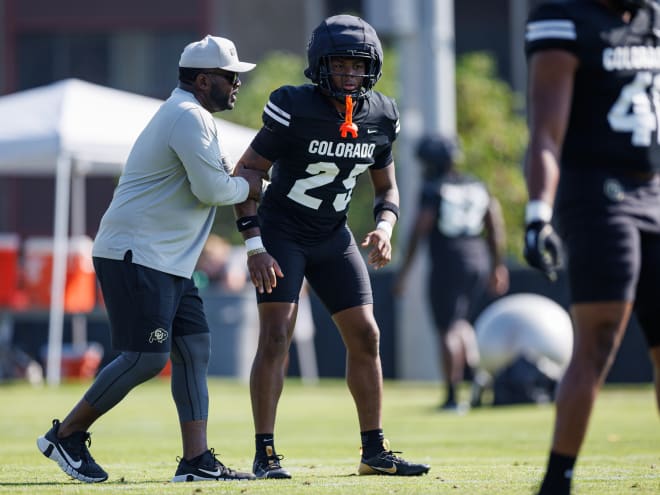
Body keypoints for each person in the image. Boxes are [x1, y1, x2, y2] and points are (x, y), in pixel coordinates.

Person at [36, 35, 265, 483]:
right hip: (135, 254)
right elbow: (215, 190)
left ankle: (196, 461)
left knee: (194, 348)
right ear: (203, 80)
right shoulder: (187, 115)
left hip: (167, 261)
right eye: (229, 77)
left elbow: (215, 185)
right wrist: (258, 188)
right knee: (145, 357)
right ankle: (65, 434)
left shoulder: (191, 114)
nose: (236, 85)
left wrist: (245, 188)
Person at [232, 14, 430, 479]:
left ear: (371, 68)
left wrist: (384, 226)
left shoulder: (381, 113)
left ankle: (374, 451)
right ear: (320, 66)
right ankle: (265, 453)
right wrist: (254, 243)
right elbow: (247, 171)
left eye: (356, 66)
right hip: (282, 232)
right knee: (276, 335)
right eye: (339, 65)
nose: (348, 74)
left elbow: (387, 189)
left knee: (367, 334)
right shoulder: (293, 106)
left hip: (332, 234)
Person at [523, 1, 660, 494]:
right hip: (599, 194)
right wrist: (539, 211)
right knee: (599, 339)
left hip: (654, 188)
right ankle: (558, 479)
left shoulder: (649, 19)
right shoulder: (563, 18)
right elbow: (546, 131)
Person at [392, 134, 509, 410]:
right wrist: (497, 264)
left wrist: (404, 271)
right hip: (477, 257)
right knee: (460, 323)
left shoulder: (434, 188)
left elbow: (421, 227)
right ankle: (477, 376)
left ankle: (452, 393)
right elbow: (495, 223)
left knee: (446, 327)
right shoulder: (476, 183)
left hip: (449, 260)